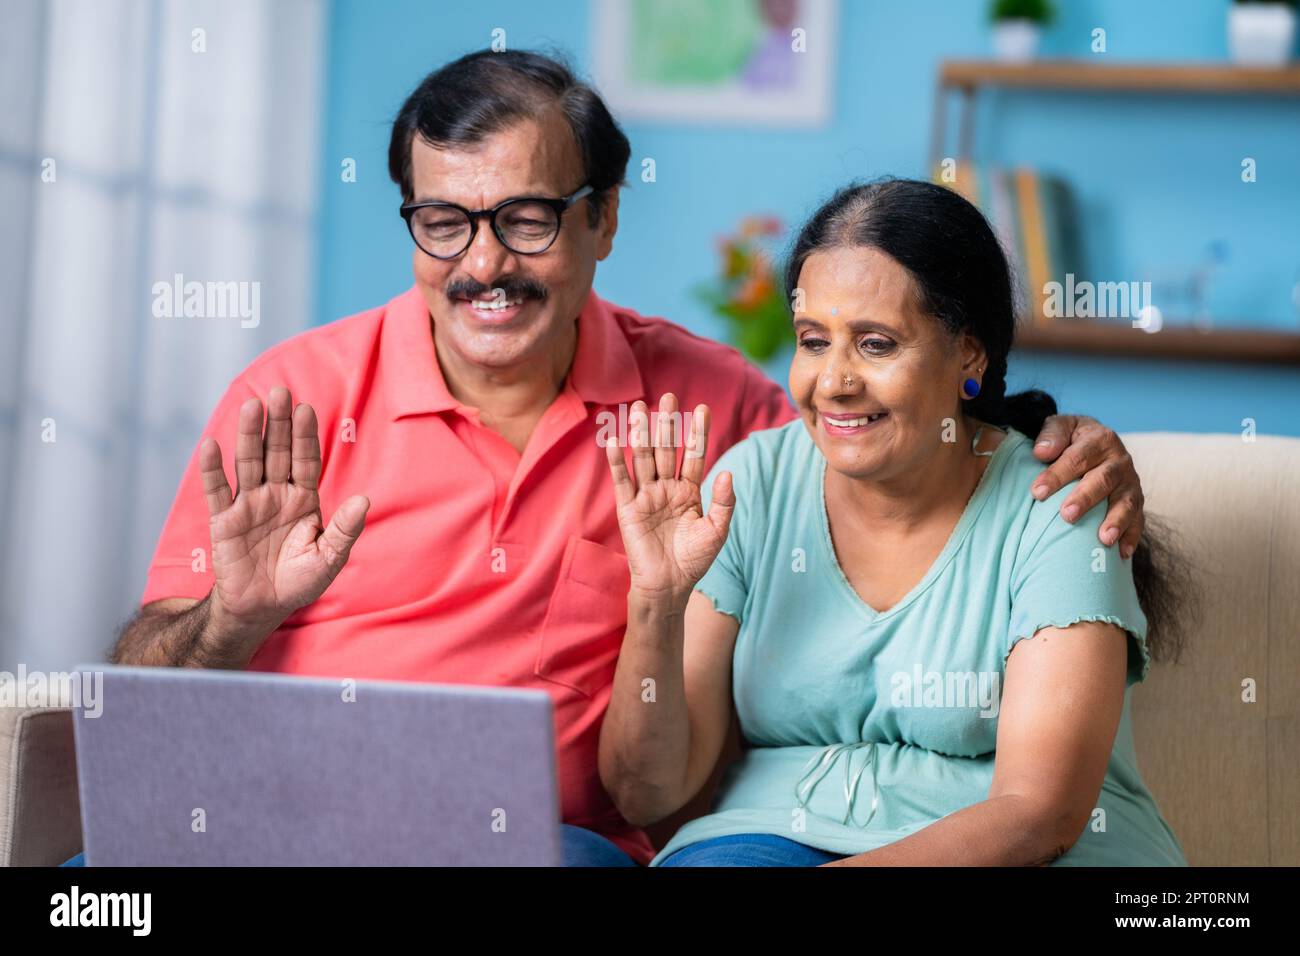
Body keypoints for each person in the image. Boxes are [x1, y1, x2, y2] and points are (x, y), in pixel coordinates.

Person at [97, 52, 1150, 868]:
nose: (483, 264)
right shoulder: (293, 401)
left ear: (601, 218)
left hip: (537, 844)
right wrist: (232, 616)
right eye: (443, 221)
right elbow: (142, 699)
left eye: (525, 217)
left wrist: (1070, 442)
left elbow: (906, 446)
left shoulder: (719, 410)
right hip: (279, 823)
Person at [598, 178, 1188, 867]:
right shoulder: (752, 483)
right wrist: (658, 604)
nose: (834, 381)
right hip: (769, 841)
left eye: (876, 345)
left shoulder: (1061, 504)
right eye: (814, 341)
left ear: (968, 353)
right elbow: (646, 796)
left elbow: (1039, 815)